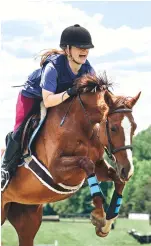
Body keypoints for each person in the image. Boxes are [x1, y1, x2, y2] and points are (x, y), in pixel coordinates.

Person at [1, 24, 95, 191]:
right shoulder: (53, 67)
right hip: (33, 97)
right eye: (80, 47)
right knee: (20, 130)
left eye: (87, 48)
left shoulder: (88, 69)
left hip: (62, 99)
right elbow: (48, 100)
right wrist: (70, 91)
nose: (85, 51)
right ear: (67, 49)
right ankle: (5, 170)